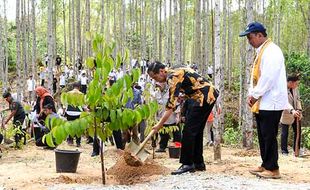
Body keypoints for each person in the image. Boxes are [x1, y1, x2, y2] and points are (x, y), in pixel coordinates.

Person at [147, 61, 218, 175]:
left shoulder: (172, 76)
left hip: (203, 97)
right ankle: (198, 163)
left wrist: (159, 125)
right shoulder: (175, 69)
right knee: (197, 131)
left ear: (161, 71)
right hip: (208, 94)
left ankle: (187, 163)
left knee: (188, 130)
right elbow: (192, 84)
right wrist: (184, 96)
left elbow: (170, 106)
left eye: (155, 77)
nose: (156, 81)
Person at [240, 22, 288, 179]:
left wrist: (255, 94)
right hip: (262, 101)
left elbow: (268, 77)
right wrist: (251, 93)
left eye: (250, 37)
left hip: (271, 101)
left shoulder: (272, 51)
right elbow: (256, 76)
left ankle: (273, 169)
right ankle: (265, 164)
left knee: (269, 135)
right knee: (262, 134)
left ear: (260, 35)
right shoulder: (262, 51)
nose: (249, 41)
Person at [154, 82, 181, 153]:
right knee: (163, 135)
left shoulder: (170, 92)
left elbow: (176, 104)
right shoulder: (156, 94)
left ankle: (177, 148)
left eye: (160, 85)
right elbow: (154, 106)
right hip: (161, 117)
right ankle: (162, 147)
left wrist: (178, 116)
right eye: (157, 86)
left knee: (177, 134)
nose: (159, 87)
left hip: (172, 117)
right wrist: (155, 117)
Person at [280, 74, 303, 156]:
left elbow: (298, 99)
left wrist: (299, 110)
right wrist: (292, 111)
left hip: (296, 113)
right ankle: (284, 151)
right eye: (296, 83)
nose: (297, 85)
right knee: (284, 133)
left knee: (298, 131)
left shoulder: (295, 88)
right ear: (290, 82)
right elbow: (284, 103)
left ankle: (297, 149)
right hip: (286, 113)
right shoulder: (282, 89)